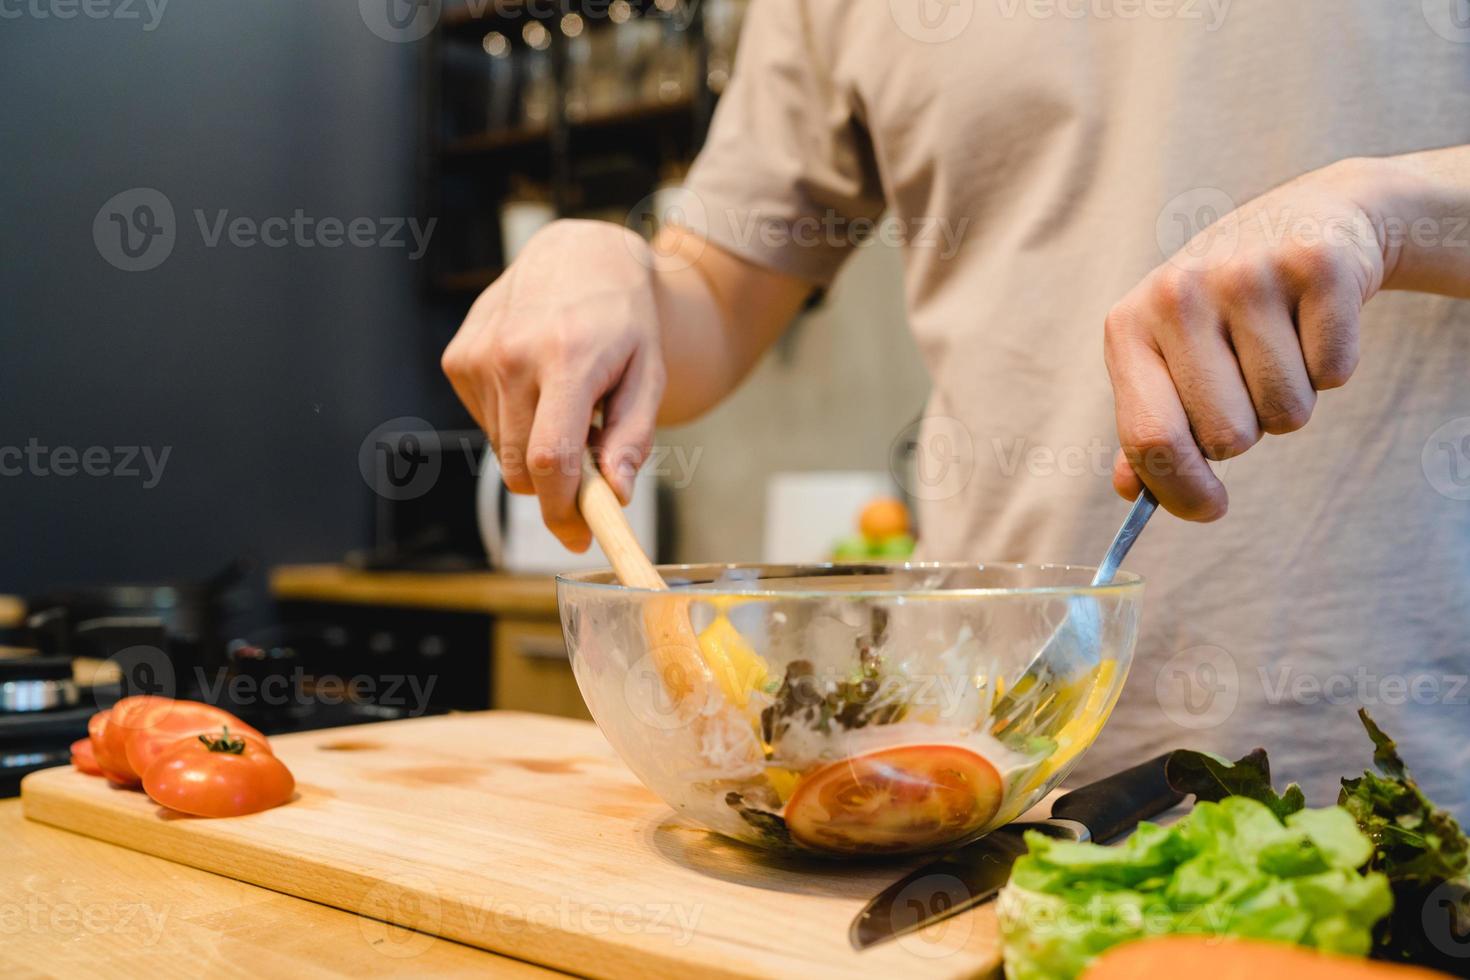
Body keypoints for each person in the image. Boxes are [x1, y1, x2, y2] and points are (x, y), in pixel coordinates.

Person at [443, 0, 1470, 812]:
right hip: (993, 812)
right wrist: (604, 260)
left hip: (1423, 804)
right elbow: (713, 300)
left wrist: (1384, 213)